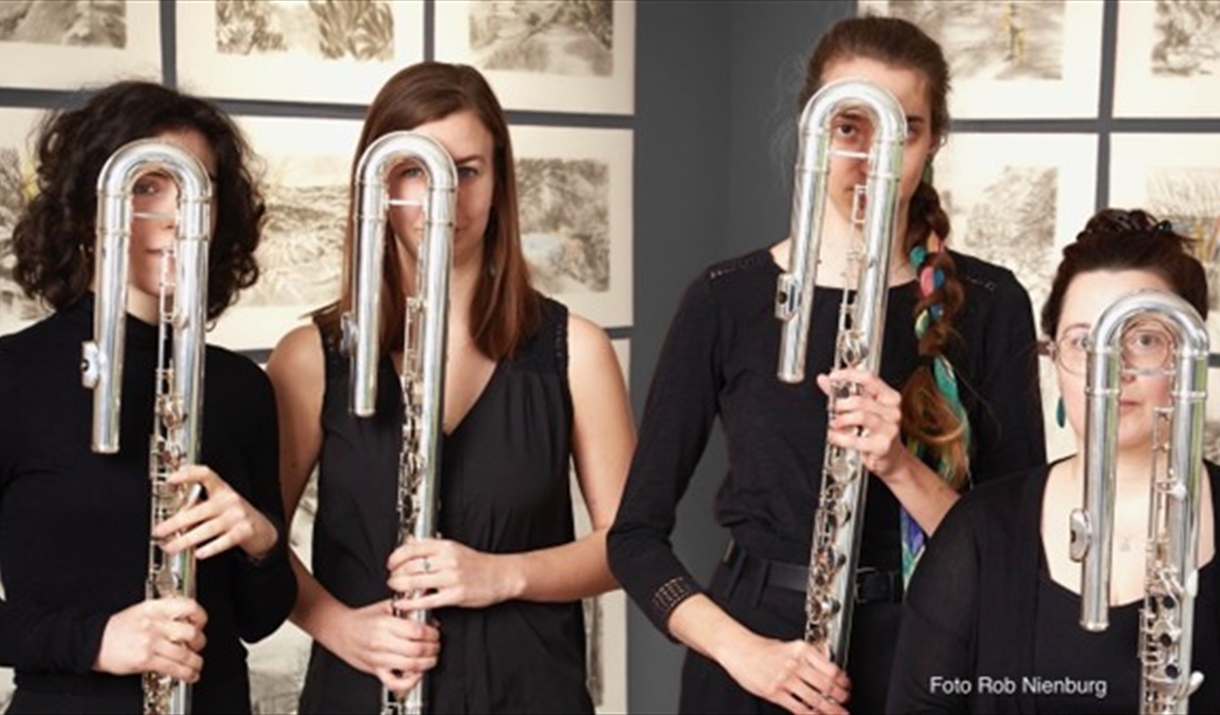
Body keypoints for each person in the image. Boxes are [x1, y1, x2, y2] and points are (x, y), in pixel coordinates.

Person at [607, 15, 1046, 715]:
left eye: (901, 130)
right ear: (812, 131)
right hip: (750, 658)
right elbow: (633, 540)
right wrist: (742, 651)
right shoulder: (727, 299)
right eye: (849, 127)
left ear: (934, 142)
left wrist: (899, 463)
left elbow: (1022, 550)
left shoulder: (991, 302)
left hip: (927, 647)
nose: (873, 157)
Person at [265, 61, 635, 714]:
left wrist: (502, 574)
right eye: (415, 170)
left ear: (499, 182)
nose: (443, 197)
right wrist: (337, 625)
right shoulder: (310, 358)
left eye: (465, 171)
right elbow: (259, 539)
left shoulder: (577, 350)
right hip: (363, 694)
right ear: (378, 186)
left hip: (529, 694)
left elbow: (629, 545)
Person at [0, 81, 296, 714]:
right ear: (88, 209)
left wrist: (261, 541)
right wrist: (96, 640)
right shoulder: (12, 376)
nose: (175, 216)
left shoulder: (244, 389)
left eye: (198, 192)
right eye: (148, 187)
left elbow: (261, 619)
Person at [886, 208, 1220, 714]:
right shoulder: (978, 532)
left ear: (1189, 356)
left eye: (1145, 339)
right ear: (1055, 357)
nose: (1111, 368)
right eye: (1085, 342)